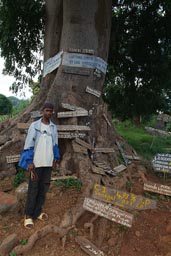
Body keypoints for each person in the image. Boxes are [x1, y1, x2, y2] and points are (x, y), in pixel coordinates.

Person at [19, 102, 60, 229]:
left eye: (51, 111)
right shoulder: (35, 126)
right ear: (42, 111)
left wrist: (55, 159)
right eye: (47, 110)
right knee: (33, 189)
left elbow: (55, 145)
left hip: (48, 164)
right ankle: (28, 215)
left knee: (43, 188)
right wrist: (29, 161)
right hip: (36, 164)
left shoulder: (53, 127)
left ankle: (37, 212)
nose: (49, 113)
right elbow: (28, 145)